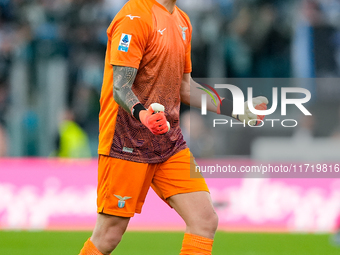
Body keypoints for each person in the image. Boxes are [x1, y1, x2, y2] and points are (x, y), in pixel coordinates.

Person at [78, 0, 268, 254]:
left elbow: (186, 87)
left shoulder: (183, 21)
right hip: (127, 141)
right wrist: (144, 115)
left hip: (169, 141)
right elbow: (120, 88)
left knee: (204, 220)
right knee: (109, 234)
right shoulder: (134, 17)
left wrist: (235, 109)